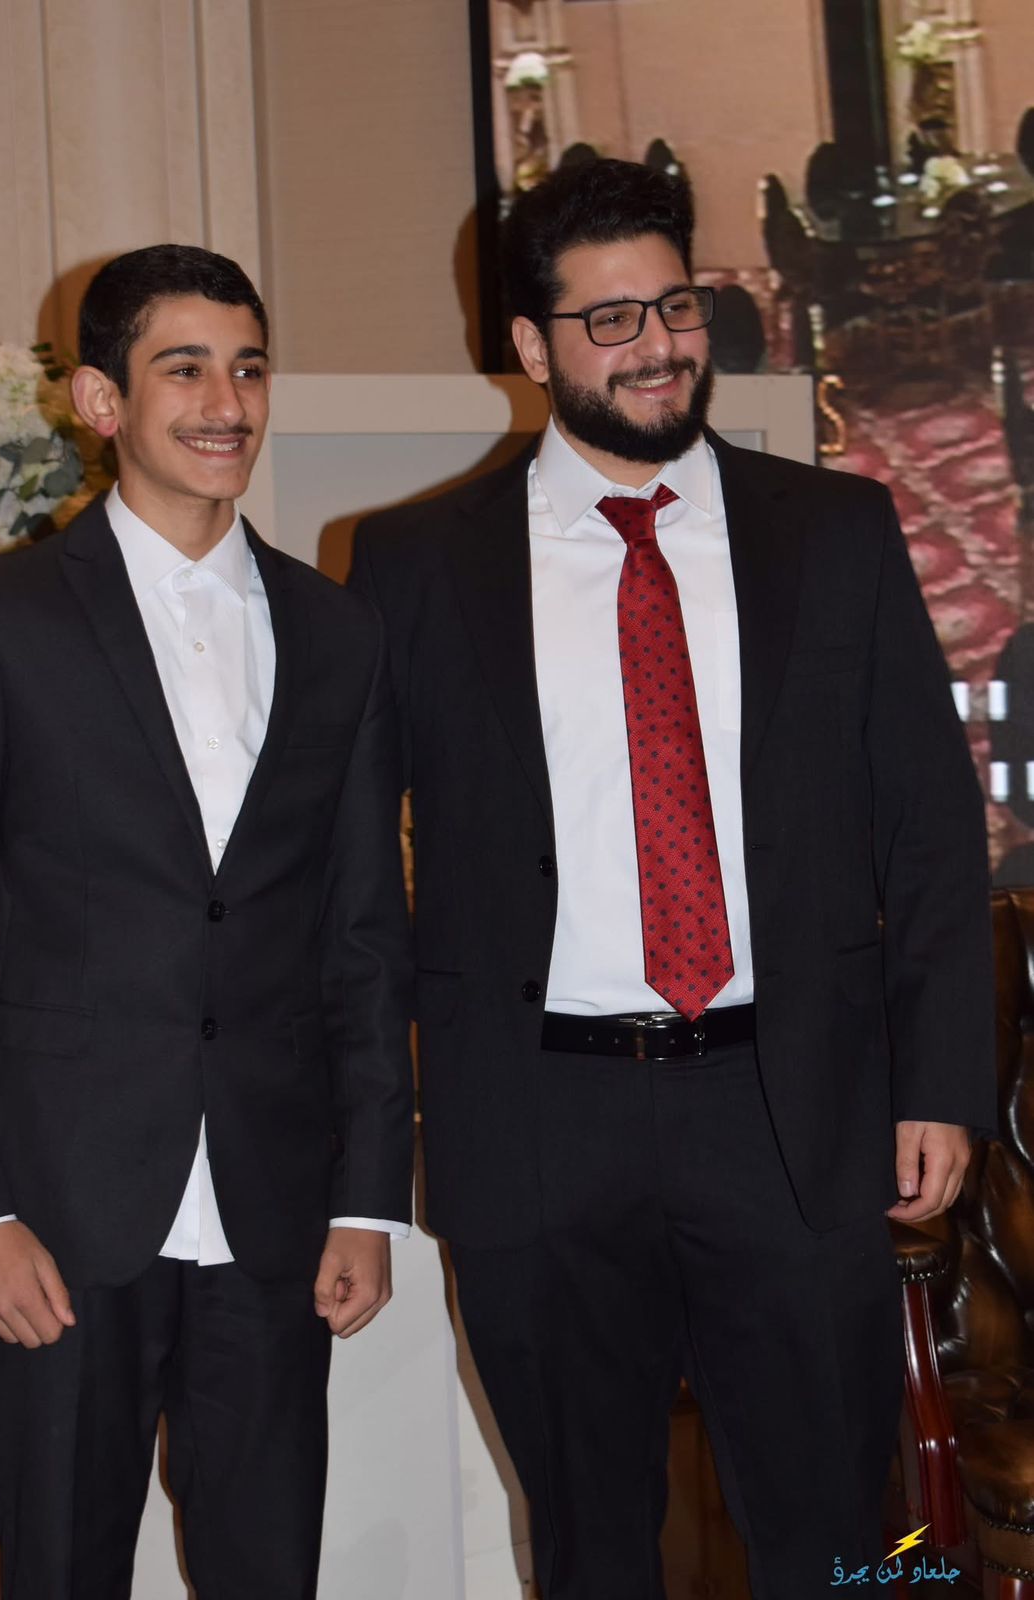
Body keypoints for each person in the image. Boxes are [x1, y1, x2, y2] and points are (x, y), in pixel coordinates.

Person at [349, 159, 996, 1599]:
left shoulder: (835, 531)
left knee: (849, 1538)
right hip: (537, 1123)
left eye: (676, 305)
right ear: (531, 347)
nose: (657, 345)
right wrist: (364, 1151)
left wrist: (939, 1081)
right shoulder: (413, 566)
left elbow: (929, 830)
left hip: (790, 1109)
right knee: (590, 1546)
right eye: (610, 320)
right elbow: (352, 888)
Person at [0, 244, 412, 1600]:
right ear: (102, 401)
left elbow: (361, 934)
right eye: (185, 369)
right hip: (52, 1221)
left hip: (273, 1217)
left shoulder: (339, 633)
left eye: (248, 368)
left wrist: (366, 1200)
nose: (228, 403)